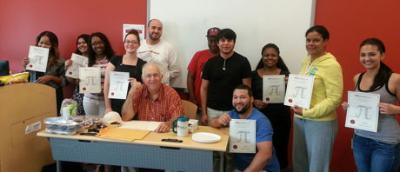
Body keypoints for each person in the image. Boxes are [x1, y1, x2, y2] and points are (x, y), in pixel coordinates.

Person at [342, 38, 400, 172]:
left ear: (382, 55)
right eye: (363, 55)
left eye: (372, 54)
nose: (367, 58)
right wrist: (350, 108)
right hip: (360, 138)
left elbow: (396, 109)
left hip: (386, 141)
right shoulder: (357, 78)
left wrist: (394, 109)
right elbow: (361, 105)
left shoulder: (395, 79)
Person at [292, 25, 343, 172]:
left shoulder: (331, 65)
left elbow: (335, 98)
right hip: (300, 119)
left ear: (325, 41)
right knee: (300, 162)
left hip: (320, 123)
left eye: (316, 40)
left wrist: (308, 112)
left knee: (317, 166)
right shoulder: (306, 61)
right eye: (308, 40)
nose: (311, 44)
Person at [209, 84, 280, 172]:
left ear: (251, 99)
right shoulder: (233, 114)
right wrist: (218, 121)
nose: (238, 101)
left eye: (242, 97)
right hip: (241, 167)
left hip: (262, 169)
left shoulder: (261, 121)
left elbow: (265, 155)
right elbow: (211, 123)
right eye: (235, 97)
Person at [251, 43, 291, 169]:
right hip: (259, 118)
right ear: (262, 57)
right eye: (266, 55)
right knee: (259, 149)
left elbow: (293, 97)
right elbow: (247, 94)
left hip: (281, 119)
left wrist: (291, 83)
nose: (270, 58)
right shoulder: (253, 75)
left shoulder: (285, 75)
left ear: (278, 57)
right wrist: (254, 102)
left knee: (279, 148)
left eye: (273, 55)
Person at [201, 28, 252, 125]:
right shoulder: (210, 63)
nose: (226, 43)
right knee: (213, 138)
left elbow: (248, 89)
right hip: (212, 109)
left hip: (235, 110)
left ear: (234, 43)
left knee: (234, 139)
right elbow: (203, 88)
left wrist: (247, 111)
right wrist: (204, 112)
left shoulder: (243, 62)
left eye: (229, 40)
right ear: (218, 43)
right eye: (223, 40)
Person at [121, 62, 183, 133]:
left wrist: (168, 124)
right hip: (143, 135)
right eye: (148, 76)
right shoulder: (138, 91)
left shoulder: (171, 94)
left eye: (155, 75)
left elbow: (178, 118)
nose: (152, 79)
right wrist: (131, 93)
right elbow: (125, 117)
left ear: (161, 77)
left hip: (163, 135)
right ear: (143, 78)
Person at [104, 30, 146, 115]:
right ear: (124, 43)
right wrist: (108, 107)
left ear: (139, 45)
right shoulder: (115, 60)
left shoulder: (143, 64)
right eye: (128, 41)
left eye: (134, 42)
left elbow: (146, 88)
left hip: (134, 107)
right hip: (114, 105)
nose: (130, 44)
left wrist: (139, 85)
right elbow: (107, 84)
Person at [24, 31, 66, 113]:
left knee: (52, 120)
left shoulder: (60, 61)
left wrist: (50, 78)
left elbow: (65, 81)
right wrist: (26, 66)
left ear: (53, 46)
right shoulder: (32, 58)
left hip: (52, 95)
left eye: (47, 44)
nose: (43, 46)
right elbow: (28, 77)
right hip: (34, 94)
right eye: (41, 42)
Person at [137, 19, 180, 85]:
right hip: (141, 88)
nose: (156, 31)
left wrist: (162, 78)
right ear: (148, 28)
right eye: (153, 28)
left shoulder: (169, 47)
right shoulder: (138, 46)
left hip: (162, 88)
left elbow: (175, 70)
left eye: (159, 29)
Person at [187, 27, 220, 108]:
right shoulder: (199, 55)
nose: (213, 44)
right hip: (198, 103)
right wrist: (192, 97)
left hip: (217, 106)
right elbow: (190, 77)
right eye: (210, 40)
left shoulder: (224, 57)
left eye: (216, 41)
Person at [83, 32, 114, 116]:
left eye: (100, 42)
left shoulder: (113, 60)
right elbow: (79, 81)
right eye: (94, 44)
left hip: (105, 101)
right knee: (91, 125)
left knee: (105, 125)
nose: (97, 46)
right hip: (89, 100)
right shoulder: (86, 61)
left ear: (105, 43)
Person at [65, 34, 91, 115]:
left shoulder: (95, 59)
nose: (81, 45)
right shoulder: (75, 60)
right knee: (79, 119)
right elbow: (71, 81)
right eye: (79, 43)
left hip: (93, 94)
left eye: (84, 42)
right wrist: (67, 68)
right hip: (79, 93)